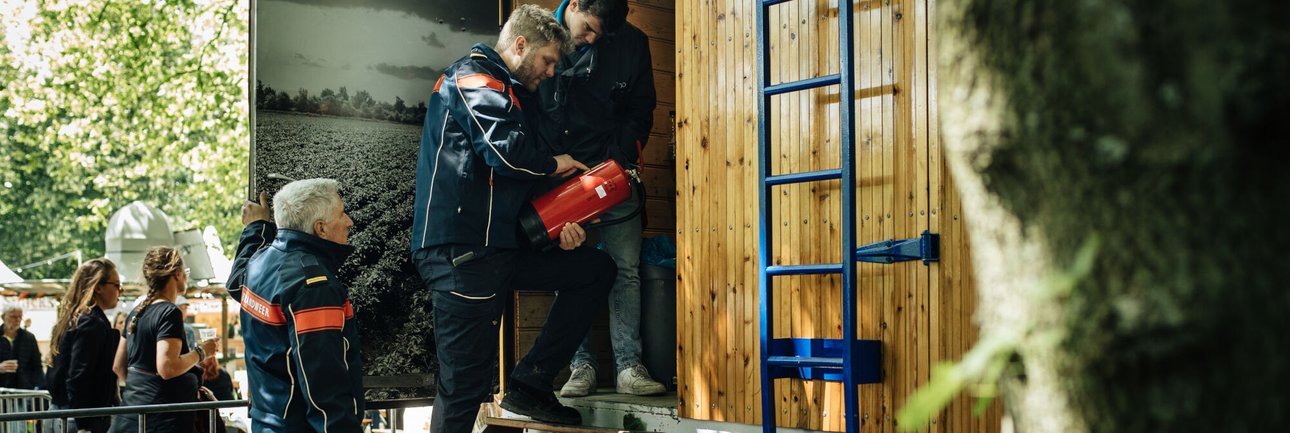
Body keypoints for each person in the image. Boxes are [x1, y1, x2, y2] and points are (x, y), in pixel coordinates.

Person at [411, 5, 616, 432]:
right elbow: (505, 152)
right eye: (548, 60)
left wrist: (559, 228)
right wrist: (555, 162)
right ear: (520, 45)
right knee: (465, 385)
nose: (552, 71)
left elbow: (515, 182)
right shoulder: (472, 78)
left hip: (500, 247)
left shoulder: (510, 91)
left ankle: (530, 384)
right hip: (462, 254)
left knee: (594, 269)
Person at [532, 0, 665, 397]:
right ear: (573, 4)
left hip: (612, 172)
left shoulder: (633, 43)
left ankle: (628, 366)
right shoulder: (540, 35)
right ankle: (580, 367)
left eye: (598, 35)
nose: (589, 38)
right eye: (587, 28)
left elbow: (642, 109)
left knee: (626, 268)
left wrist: (618, 160)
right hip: (561, 176)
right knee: (568, 269)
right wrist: (551, 168)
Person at [226, 179, 364, 433]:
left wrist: (256, 227)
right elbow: (323, 388)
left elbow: (235, 283)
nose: (349, 222)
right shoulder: (313, 287)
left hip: (266, 422)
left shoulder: (259, 264)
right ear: (320, 228)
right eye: (342, 213)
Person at [109, 247, 219, 433]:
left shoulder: (136, 313)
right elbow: (167, 367)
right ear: (176, 274)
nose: (186, 277)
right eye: (185, 272)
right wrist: (202, 352)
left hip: (130, 416)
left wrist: (142, 392)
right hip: (162, 420)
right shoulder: (170, 312)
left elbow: (118, 366)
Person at [45, 258, 124, 433]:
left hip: (61, 412)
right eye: (117, 285)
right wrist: (84, 424)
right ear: (98, 287)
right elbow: (79, 375)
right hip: (78, 418)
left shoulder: (73, 318)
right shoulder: (91, 322)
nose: (120, 291)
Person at [1, 303, 44, 389]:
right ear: (3, 317)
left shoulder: (29, 338)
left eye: (20, 317)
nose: (17, 320)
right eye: (13, 317)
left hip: (23, 389)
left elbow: (37, 365)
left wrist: (39, 386)